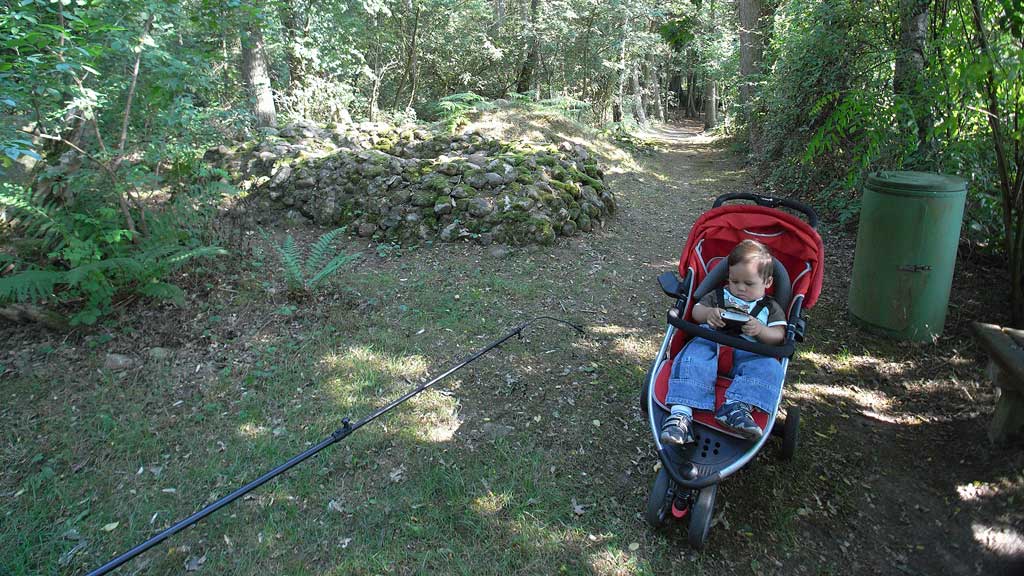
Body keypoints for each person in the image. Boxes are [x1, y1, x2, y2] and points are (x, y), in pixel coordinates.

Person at [661, 239, 786, 445]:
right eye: (734, 281)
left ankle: (737, 407)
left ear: (767, 282)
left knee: (771, 368)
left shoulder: (769, 307)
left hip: (750, 351)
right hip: (711, 343)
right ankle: (681, 415)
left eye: (749, 283)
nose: (740, 288)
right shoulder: (719, 295)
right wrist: (709, 313)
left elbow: (779, 334)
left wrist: (761, 330)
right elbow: (695, 311)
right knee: (692, 357)